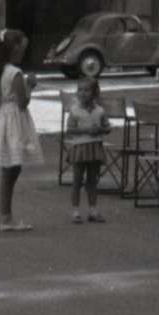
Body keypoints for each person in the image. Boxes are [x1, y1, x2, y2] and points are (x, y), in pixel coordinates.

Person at [0, 28, 43, 230]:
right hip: (13, 119)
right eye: (22, 49)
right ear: (14, 49)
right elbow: (23, 102)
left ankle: (2, 213)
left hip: (2, 117)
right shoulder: (15, 73)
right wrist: (30, 85)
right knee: (12, 168)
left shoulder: (0, 69)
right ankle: (6, 216)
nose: (23, 54)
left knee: (10, 167)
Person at [66, 75, 110, 224]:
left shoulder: (100, 110)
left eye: (86, 90)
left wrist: (101, 129)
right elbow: (69, 130)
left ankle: (93, 210)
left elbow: (108, 127)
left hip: (95, 147)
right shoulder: (75, 110)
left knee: (92, 181)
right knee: (77, 180)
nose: (83, 93)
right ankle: (75, 211)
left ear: (95, 93)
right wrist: (86, 130)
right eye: (80, 90)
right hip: (80, 148)